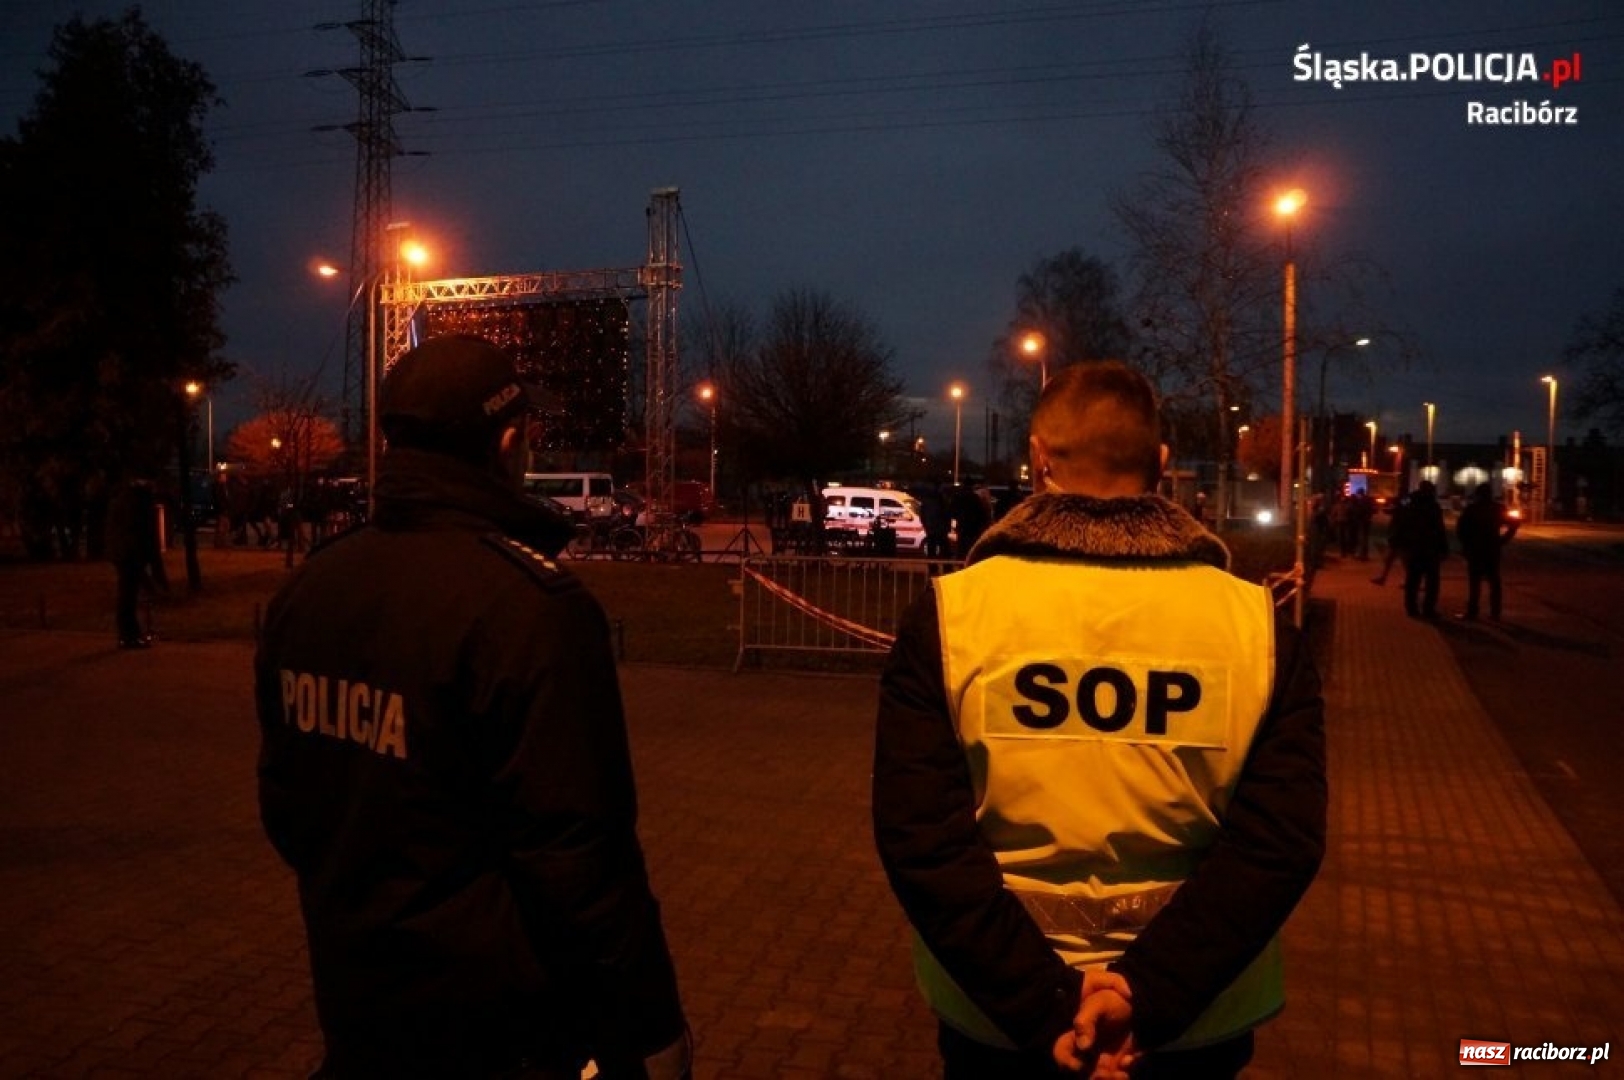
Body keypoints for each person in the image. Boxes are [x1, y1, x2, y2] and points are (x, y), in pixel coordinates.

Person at [872, 361, 1326, 1079]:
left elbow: (921, 839)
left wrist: (1043, 1005)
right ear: (1163, 464)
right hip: (1191, 1025)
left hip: (1000, 1024)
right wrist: (1149, 993)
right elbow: (1278, 844)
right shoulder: (1257, 628)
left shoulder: (953, 616)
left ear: (1038, 457)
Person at [254, 335, 690, 1080]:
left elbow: (288, 807)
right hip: (498, 1028)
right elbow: (578, 854)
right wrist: (644, 1022)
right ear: (508, 440)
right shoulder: (528, 608)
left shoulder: (311, 588)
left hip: (358, 997)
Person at [104, 476, 159, 648]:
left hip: (123, 554)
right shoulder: (132, 505)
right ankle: (129, 636)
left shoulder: (122, 501)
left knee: (128, 595)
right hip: (128, 555)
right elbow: (136, 532)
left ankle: (130, 634)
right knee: (127, 596)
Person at [1456, 482, 1519, 620]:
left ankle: (1473, 611)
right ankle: (1495, 612)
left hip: (1475, 549)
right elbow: (1514, 524)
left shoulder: (1472, 509)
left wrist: (1465, 545)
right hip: (1492, 548)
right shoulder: (1498, 508)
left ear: (1478, 495)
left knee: (1475, 582)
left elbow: (1461, 529)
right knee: (1494, 581)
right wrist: (1503, 540)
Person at [1397, 480, 1449, 619]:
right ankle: (1427, 609)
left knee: (1413, 580)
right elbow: (1439, 528)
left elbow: (1401, 524)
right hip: (1429, 549)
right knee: (1431, 582)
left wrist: (1402, 543)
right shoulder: (1432, 506)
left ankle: (1412, 608)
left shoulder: (1409, 504)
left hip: (1415, 548)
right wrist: (1443, 547)